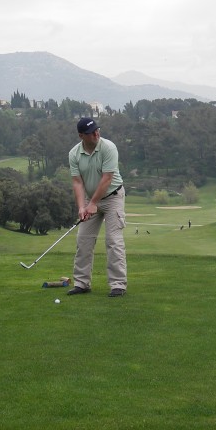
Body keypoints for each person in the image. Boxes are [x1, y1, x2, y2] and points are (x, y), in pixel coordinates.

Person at [66, 117, 127, 297]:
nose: (96, 133)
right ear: (81, 136)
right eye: (91, 132)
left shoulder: (108, 147)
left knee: (113, 241)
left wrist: (93, 203)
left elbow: (107, 178)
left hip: (113, 197)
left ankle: (118, 285)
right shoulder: (74, 154)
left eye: (96, 130)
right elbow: (77, 182)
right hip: (89, 199)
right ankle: (81, 283)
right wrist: (81, 207)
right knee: (83, 240)